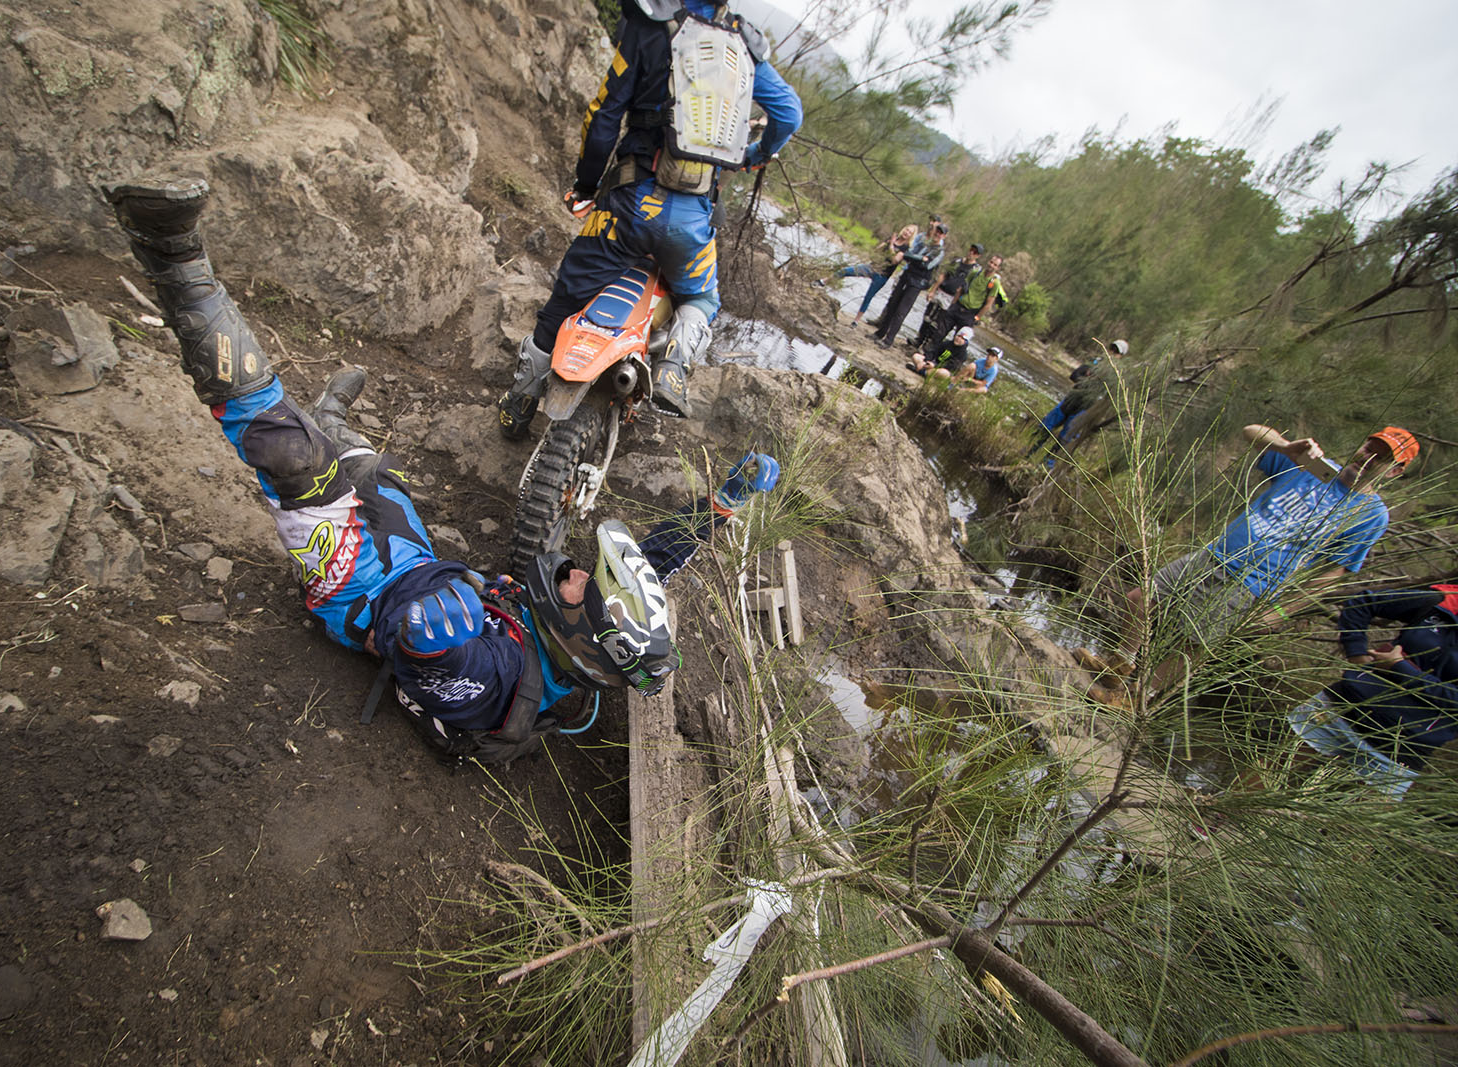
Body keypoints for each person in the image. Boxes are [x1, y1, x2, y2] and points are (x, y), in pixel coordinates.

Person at [103, 178, 782, 765]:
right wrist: (723, 502)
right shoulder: (575, 641)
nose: (574, 568)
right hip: (419, 560)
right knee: (374, 475)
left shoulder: (496, 674)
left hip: (360, 594)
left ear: (583, 637)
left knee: (292, 457)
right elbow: (652, 569)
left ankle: (173, 257)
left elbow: (426, 653)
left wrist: (439, 641)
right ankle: (333, 422)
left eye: (582, 585)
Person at [496, 0, 803, 437]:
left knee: (566, 297)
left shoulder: (650, 25)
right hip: (691, 220)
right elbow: (789, 115)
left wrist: (585, 185)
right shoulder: (742, 45)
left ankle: (521, 401)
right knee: (701, 300)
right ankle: (673, 365)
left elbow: (602, 116)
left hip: (628, 204)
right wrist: (752, 156)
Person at [1088, 424, 1418, 705]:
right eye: (1368, 447)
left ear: (1395, 471)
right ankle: (1119, 665)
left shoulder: (1371, 514)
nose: (1366, 457)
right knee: (1139, 599)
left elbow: (1332, 572)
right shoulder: (1316, 467)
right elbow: (1251, 431)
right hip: (1214, 554)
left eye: (1382, 457)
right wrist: (1286, 446)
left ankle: (1138, 698)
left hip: (1251, 583)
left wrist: (1281, 611)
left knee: (1193, 646)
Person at [1284, 582, 1458, 797]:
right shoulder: (1445, 601)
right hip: (1342, 707)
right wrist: (1357, 654)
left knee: (1347, 824)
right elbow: (1362, 603)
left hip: (1402, 747)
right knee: (1264, 776)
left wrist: (1400, 669)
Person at [1032, 339, 1128, 464]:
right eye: (1112, 349)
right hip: (1069, 401)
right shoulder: (1095, 362)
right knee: (1045, 427)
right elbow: (1075, 375)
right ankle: (1028, 453)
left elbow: (1106, 397)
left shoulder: (1115, 376)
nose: (1112, 353)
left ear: (1120, 356)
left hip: (1083, 410)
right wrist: (1087, 382)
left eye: (1116, 352)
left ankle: (1044, 467)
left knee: (1064, 440)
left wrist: (1090, 385)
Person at [869, 217, 948, 347]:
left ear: (944, 236)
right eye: (937, 231)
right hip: (907, 274)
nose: (937, 234)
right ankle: (880, 332)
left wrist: (917, 258)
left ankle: (889, 340)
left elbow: (927, 264)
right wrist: (919, 258)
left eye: (941, 233)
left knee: (901, 311)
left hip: (918, 282)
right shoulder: (924, 242)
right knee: (893, 303)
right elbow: (910, 253)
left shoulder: (939, 251)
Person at [828, 222, 916, 328]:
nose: (907, 233)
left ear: (911, 236)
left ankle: (856, 321)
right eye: (907, 230)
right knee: (845, 271)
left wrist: (891, 245)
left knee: (868, 297)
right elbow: (876, 250)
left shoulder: (905, 249)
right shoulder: (893, 238)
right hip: (872, 268)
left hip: (883, 275)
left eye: (910, 232)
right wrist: (886, 243)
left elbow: (894, 260)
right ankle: (823, 281)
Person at [909, 325, 973, 376]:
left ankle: (922, 371)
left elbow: (951, 366)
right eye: (958, 336)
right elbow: (933, 351)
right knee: (916, 356)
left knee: (944, 373)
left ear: (966, 342)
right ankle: (923, 370)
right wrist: (926, 361)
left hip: (941, 369)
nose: (959, 339)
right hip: (932, 363)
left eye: (962, 338)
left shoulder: (963, 354)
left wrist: (935, 366)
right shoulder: (947, 343)